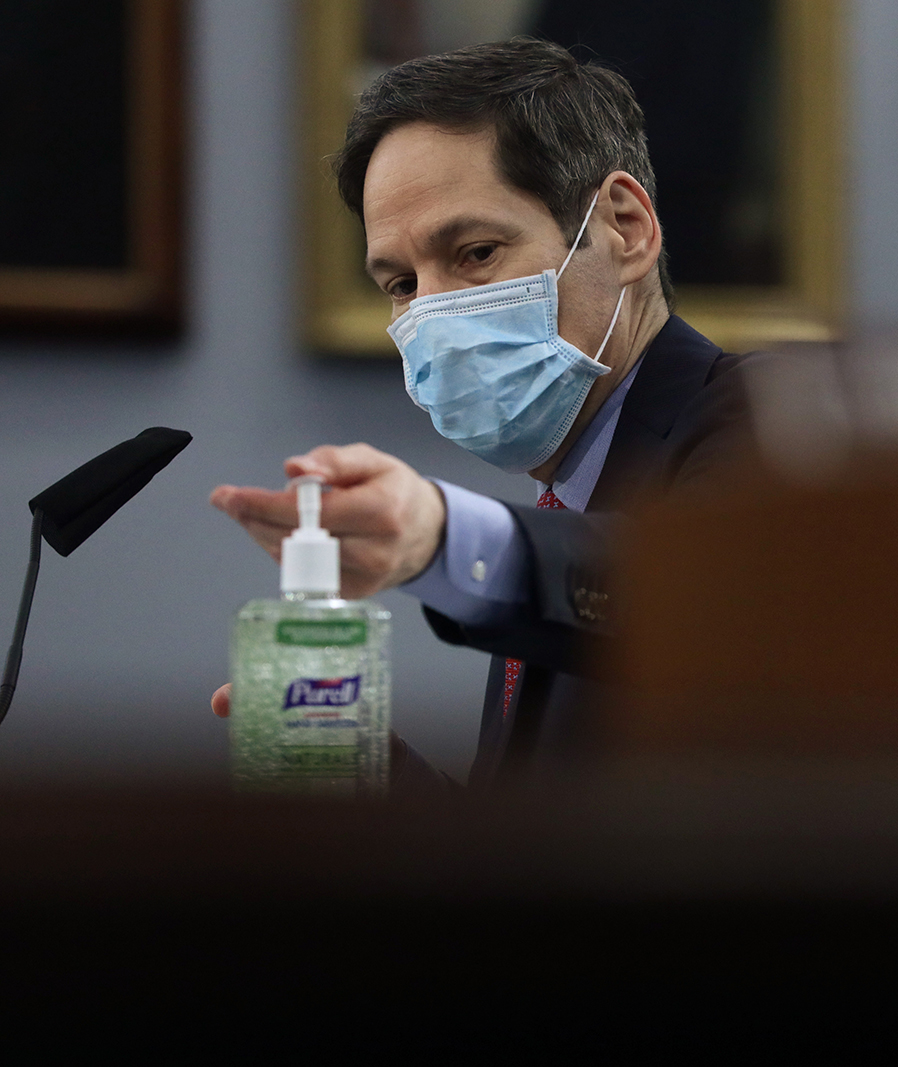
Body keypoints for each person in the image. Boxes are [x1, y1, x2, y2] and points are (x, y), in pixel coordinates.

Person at [209, 38, 757, 790]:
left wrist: (445, 538)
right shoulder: (559, 510)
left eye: (473, 252)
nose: (430, 311)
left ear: (624, 228)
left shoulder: (769, 419)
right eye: (401, 283)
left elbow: (701, 601)